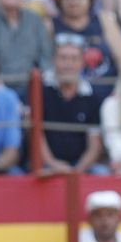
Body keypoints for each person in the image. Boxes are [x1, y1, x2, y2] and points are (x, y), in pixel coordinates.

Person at [41, 34, 107, 173]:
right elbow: (36, 136)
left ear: (82, 62)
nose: (68, 64)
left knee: (101, 172)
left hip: (81, 165)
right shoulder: (40, 90)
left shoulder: (92, 95)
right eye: (63, 58)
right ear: (53, 60)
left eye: (74, 59)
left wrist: (77, 170)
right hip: (46, 163)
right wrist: (53, 164)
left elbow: (94, 145)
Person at [52, 0, 121, 87]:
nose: (73, 0)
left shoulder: (104, 21)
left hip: (104, 90)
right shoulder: (51, 25)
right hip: (63, 93)